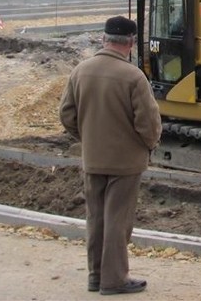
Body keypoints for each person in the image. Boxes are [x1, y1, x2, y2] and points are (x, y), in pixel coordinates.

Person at [59, 16, 163, 296]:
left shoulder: (80, 71)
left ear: (103, 39)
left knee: (96, 218)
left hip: (92, 157)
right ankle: (114, 279)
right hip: (125, 162)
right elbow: (148, 123)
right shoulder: (133, 76)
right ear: (130, 43)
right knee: (118, 220)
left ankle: (96, 275)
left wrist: (88, 137)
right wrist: (148, 145)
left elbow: (66, 114)